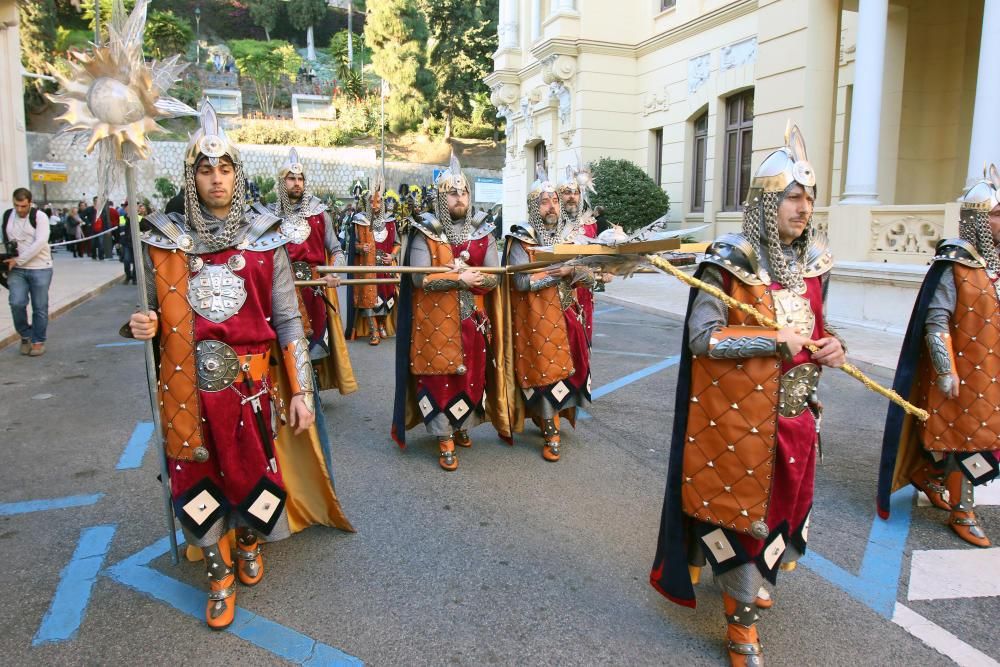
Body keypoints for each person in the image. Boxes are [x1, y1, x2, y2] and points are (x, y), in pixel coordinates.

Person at [126, 102, 353, 630]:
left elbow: (288, 319)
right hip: (186, 385)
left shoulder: (264, 236)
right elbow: (153, 315)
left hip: (250, 384)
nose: (216, 178)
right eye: (205, 169)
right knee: (195, 476)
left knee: (252, 473)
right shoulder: (162, 240)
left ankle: (249, 539)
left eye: (225, 168)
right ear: (192, 176)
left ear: (238, 172)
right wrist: (142, 325)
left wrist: (300, 390)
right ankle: (217, 571)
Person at [649, 125, 845, 667]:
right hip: (739, 423)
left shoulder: (812, 264)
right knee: (738, 522)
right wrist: (770, 341)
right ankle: (740, 627)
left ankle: (753, 582)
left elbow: (820, 329)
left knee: (784, 515)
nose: (804, 208)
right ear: (766, 202)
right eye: (793, 197)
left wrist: (834, 348)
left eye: (809, 198)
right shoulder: (729, 261)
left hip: (797, 420)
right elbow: (701, 338)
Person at [877, 165, 1000, 548]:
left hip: (992, 366)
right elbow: (936, 319)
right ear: (979, 219)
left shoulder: (993, 263)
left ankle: (928, 474)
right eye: (996, 213)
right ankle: (962, 510)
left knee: (981, 434)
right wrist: (947, 368)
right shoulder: (955, 263)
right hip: (964, 368)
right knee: (968, 438)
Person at [391, 154, 511, 471]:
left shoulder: (483, 232)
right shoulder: (426, 231)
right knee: (440, 380)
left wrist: (475, 278)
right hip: (435, 326)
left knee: (471, 378)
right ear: (442, 198)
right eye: (453, 193)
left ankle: (461, 426)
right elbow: (419, 277)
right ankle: (443, 435)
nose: (460, 198)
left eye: (464, 192)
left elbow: (495, 276)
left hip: (473, 323)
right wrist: (460, 278)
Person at [269, 148, 358, 476]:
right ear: (282, 182)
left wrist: (335, 270)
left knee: (313, 346)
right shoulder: (268, 217)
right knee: (289, 347)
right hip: (282, 290)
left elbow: (336, 249)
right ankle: (298, 394)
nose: (296, 182)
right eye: (291, 178)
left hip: (315, 291)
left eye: (300, 178)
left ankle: (309, 393)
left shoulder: (320, 213)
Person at [503, 165, 597, 462]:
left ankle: (557, 417)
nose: (552, 206)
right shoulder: (522, 239)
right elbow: (520, 281)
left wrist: (586, 273)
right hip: (538, 319)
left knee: (569, 371)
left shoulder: (569, 237)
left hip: (569, 314)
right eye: (544, 202)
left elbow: (586, 276)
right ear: (534, 206)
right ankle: (549, 428)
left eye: (554, 200)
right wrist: (560, 273)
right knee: (544, 373)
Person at [3, 188, 53, 356]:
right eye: (16, 205)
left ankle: (38, 341)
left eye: (23, 206)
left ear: (30, 203)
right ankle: (26, 335)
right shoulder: (8, 215)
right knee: (16, 303)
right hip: (16, 269)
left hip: (40, 267)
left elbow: (40, 243)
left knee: (39, 307)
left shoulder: (40, 217)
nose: (19, 210)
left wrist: (18, 259)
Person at [344, 177, 391, 345]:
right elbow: (352, 245)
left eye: (378, 201)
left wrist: (392, 255)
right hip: (365, 266)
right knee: (366, 298)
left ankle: (383, 325)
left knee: (386, 295)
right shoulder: (359, 221)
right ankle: (373, 331)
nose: (375, 205)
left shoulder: (388, 222)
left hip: (382, 266)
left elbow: (393, 242)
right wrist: (360, 247)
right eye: (372, 201)